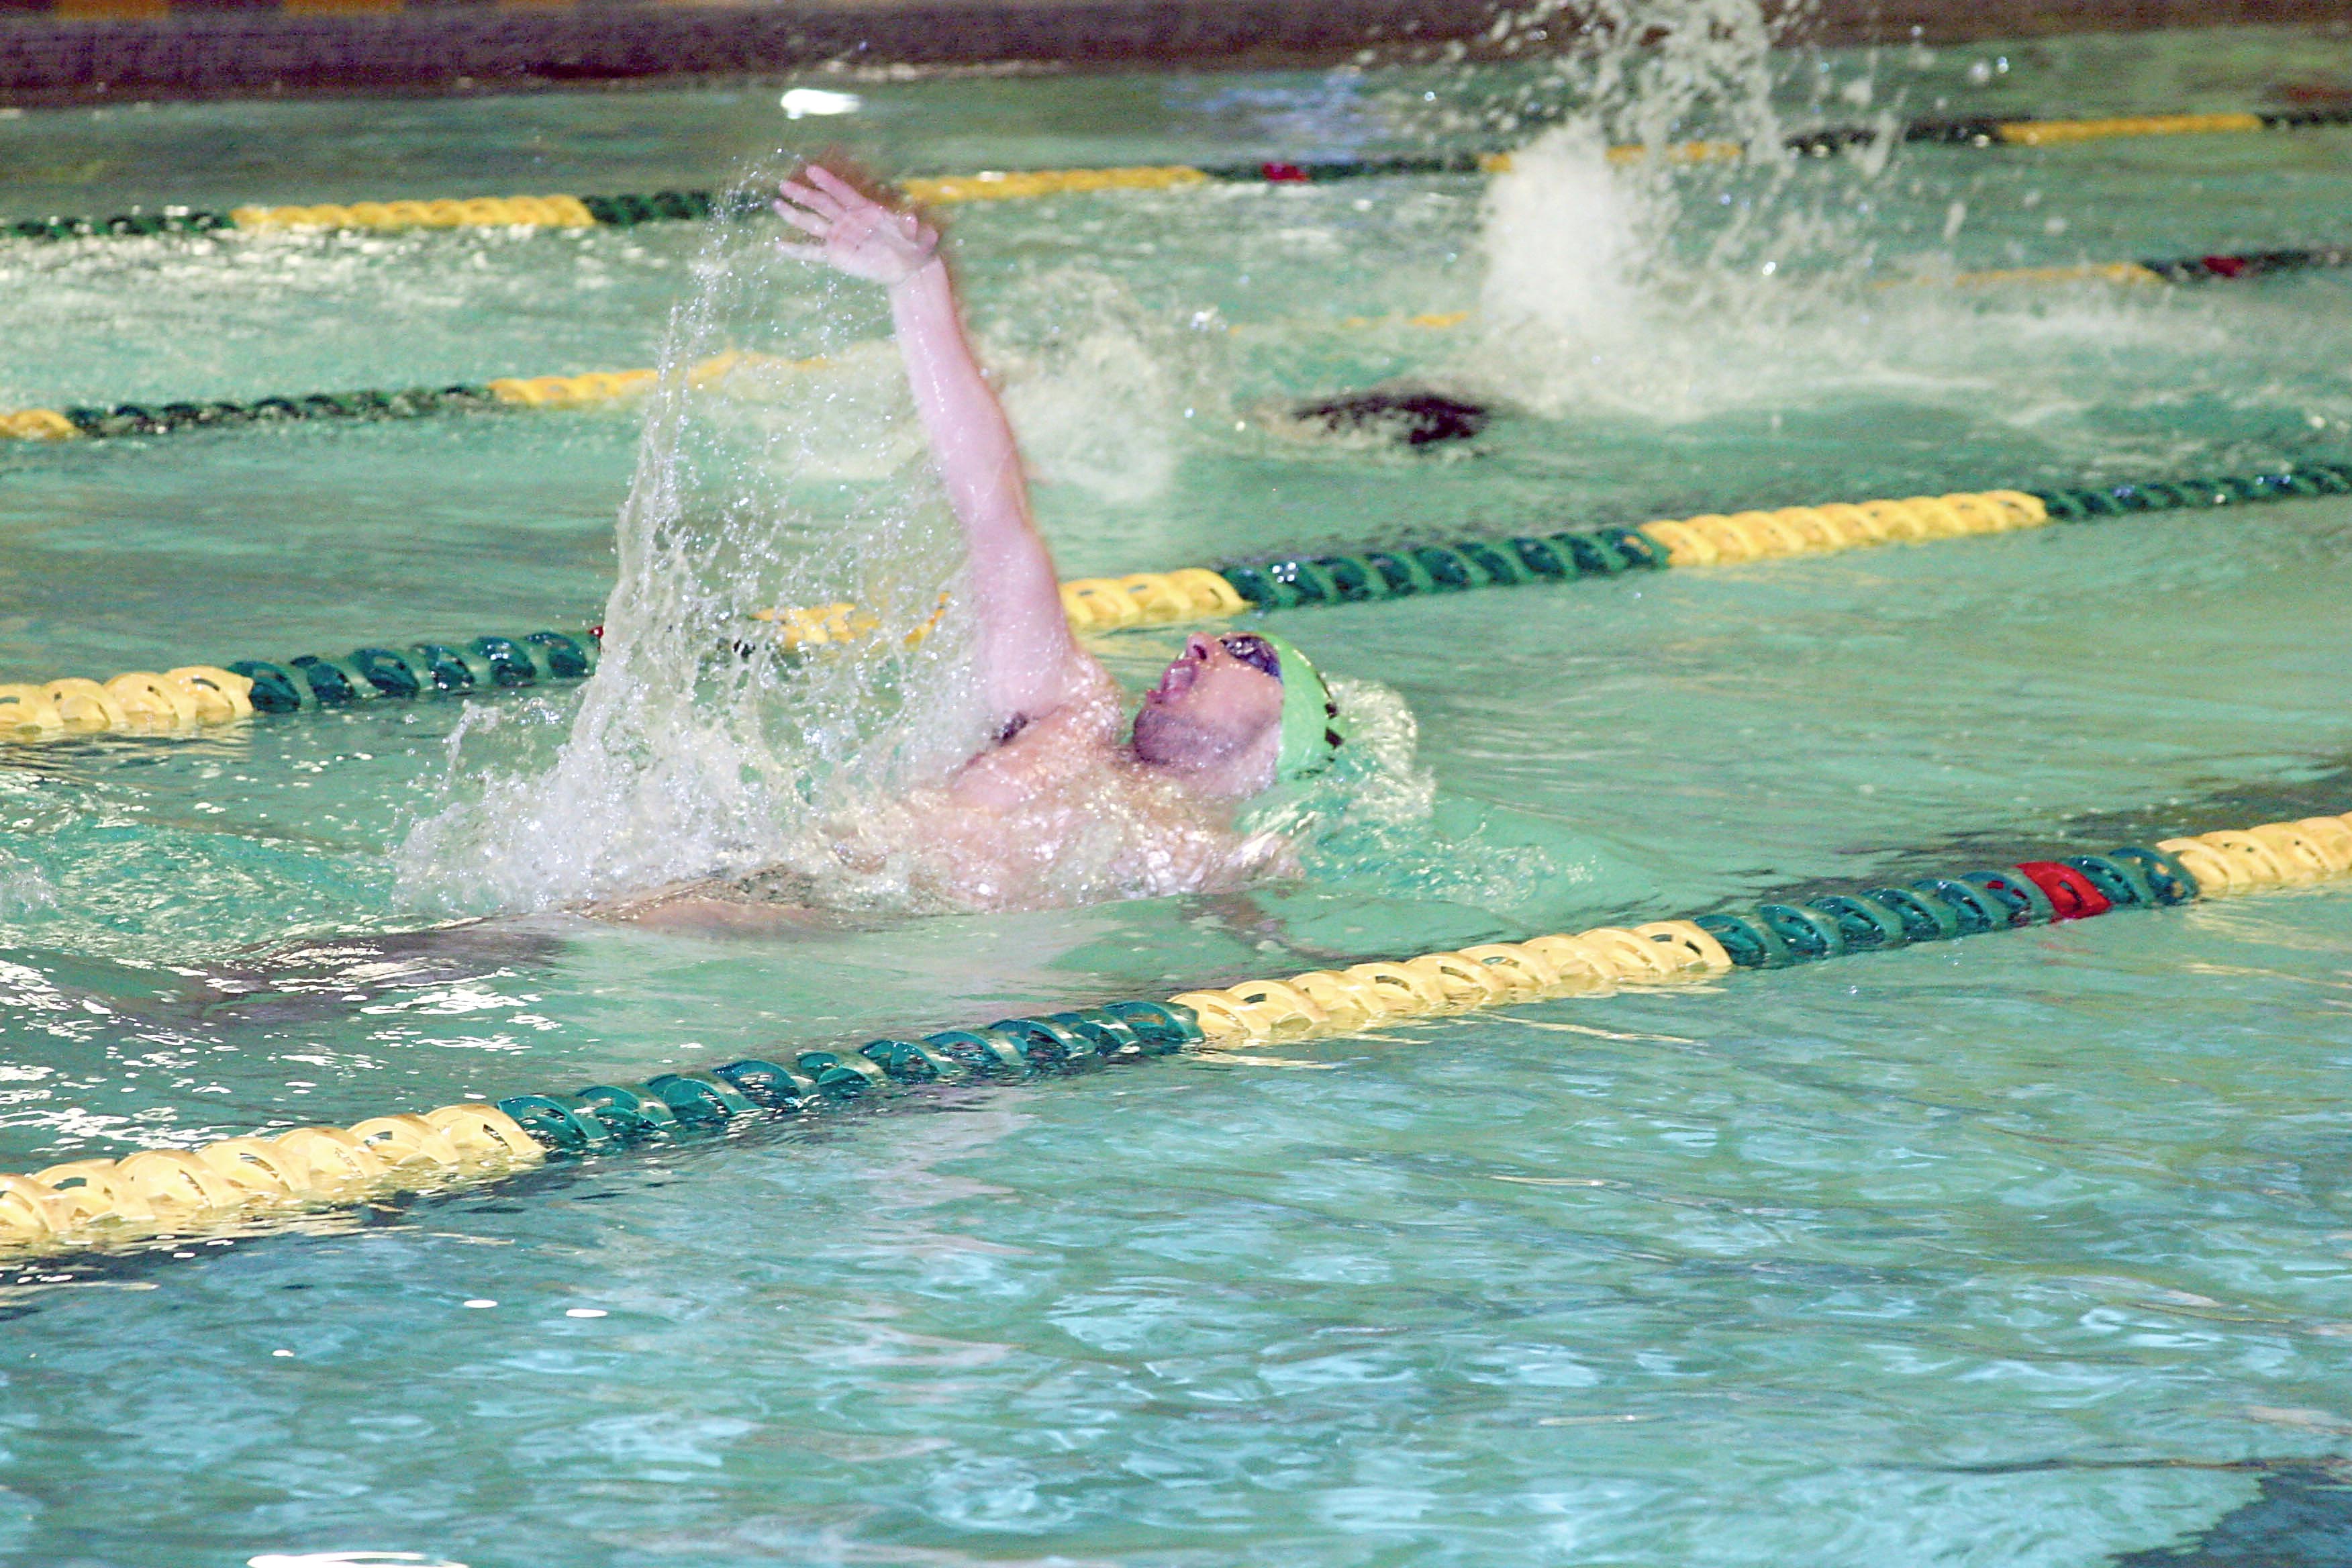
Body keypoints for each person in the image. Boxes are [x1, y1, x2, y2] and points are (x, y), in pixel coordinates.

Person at [621, 166, 1349, 924]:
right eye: (1224, 636)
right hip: (790, 894)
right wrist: (917, 285)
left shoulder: (1221, 864)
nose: (1201, 640)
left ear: (1282, 744)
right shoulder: (1071, 712)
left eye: (1250, 655)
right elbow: (993, 505)